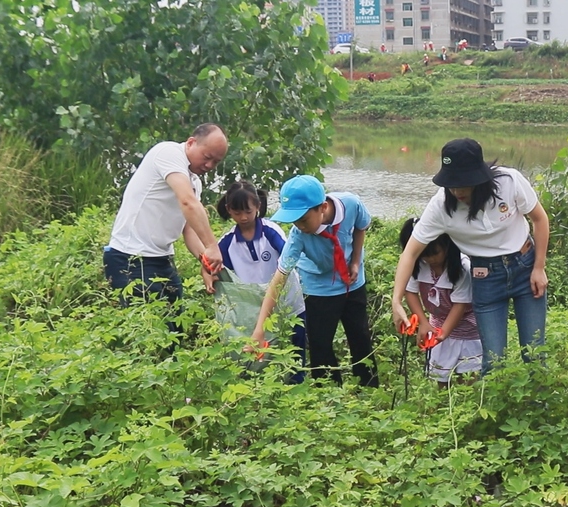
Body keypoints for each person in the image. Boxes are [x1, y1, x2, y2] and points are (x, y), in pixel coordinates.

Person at [392, 138, 550, 373]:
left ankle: (539, 407)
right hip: (486, 277)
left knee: (534, 352)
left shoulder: (509, 182)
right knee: (493, 361)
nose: (457, 191)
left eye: (463, 184)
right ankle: (495, 408)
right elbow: (410, 253)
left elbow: (540, 219)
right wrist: (396, 300)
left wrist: (539, 267)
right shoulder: (441, 207)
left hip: (525, 266)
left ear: (480, 177)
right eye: (451, 185)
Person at [253, 175, 378, 387]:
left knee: (360, 338)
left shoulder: (351, 204)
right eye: (294, 221)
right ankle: (328, 394)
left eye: (303, 219)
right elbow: (279, 279)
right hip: (319, 288)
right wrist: (259, 328)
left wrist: (356, 261)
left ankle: (369, 388)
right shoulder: (298, 236)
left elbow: (361, 226)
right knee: (320, 346)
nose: (299, 226)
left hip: (352, 283)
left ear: (322, 207)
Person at [104, 123, 228, 309]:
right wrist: (212, 246)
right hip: (130, 257)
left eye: (216, 162)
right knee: (148, 330)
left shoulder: (194, 182)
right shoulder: (168, 153)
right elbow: (187, 201)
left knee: (175, 326)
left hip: (161, 259)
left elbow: (190, 230)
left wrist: (207, 262)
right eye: (207, 157)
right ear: (191, 143)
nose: (209, 165)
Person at [211, 181, 307, 383]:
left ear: (258, 206)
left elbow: (287, 259)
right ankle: (265, 384)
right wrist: (209, 277)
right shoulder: (227, 242)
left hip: (288, 300)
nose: (244, 217)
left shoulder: (271, 231)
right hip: (257, 306)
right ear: (229, 210)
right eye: (237, 212)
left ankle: (298, 382)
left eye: (248, 211)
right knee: (265, 347)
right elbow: (218, 269)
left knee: (295, 342)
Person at [397, 218, 483, 386]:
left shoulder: (462, 268)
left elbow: (460, 305)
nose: (430, 259)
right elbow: (410, 292)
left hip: (467, 329)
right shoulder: (418, 265)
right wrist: (423, 322)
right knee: (440, 378)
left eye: (435, 253)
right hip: (437, 325)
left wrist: (443, 334)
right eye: (424, 255)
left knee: (468, 378)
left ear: (447, 246)